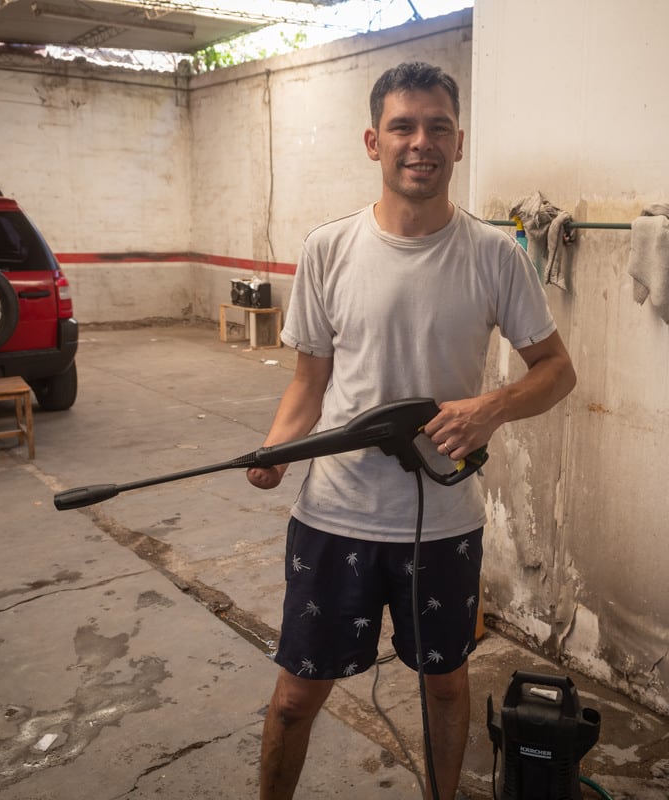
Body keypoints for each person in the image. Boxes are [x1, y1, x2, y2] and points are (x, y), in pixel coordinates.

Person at [246, 61, 576, 800]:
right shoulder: (328, 249)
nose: (419, 142)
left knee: (447, 691)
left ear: (459, 144)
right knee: (297, 698)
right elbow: (309, 381)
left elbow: (557, 370)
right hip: (334, 517)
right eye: (402, 126)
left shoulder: (496, 255)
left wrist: (489, 407)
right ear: (373, 141)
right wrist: (275, 448)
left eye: (437, 127)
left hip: (443, 525)